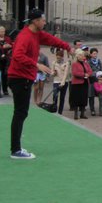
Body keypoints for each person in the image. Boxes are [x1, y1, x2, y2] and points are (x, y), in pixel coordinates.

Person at [7, 8, 71, 159]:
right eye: (43, 20)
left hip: (24, 78)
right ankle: (16, 149)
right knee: (20, 112)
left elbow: (51, 39)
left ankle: (16, 147)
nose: (45, 22)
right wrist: (37, 65)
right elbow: (17, 56)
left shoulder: (36, 34)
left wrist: (68, 47)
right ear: (35, 21)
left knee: (21, 112)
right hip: (19, 78)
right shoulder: (25, 36)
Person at [70, 50, 93, 120]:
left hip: (85, 83)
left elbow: (90, 71)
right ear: (78, 56)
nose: (83, 57)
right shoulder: (74, 64)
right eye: (81, 55)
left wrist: (88, 74)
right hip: (77, 84)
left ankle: (82, 113)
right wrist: (84, 74)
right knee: (76, 99)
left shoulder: (86, 63)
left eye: (83, 55)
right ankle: (76, 114)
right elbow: (75, 73)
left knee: (84, 98)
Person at [51, 49, 69, 115]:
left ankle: (60, 112)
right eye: (57, 57)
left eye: (59, 58)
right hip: (56, 81)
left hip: (64, 82)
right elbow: (52, 72)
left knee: (62, 97)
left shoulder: (66, 63)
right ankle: (54, 109)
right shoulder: (54, 63)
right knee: (55, 95)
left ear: (62, 57)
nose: (58, 59)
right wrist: (53, 73)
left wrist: (63, 82)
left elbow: (66, 73)